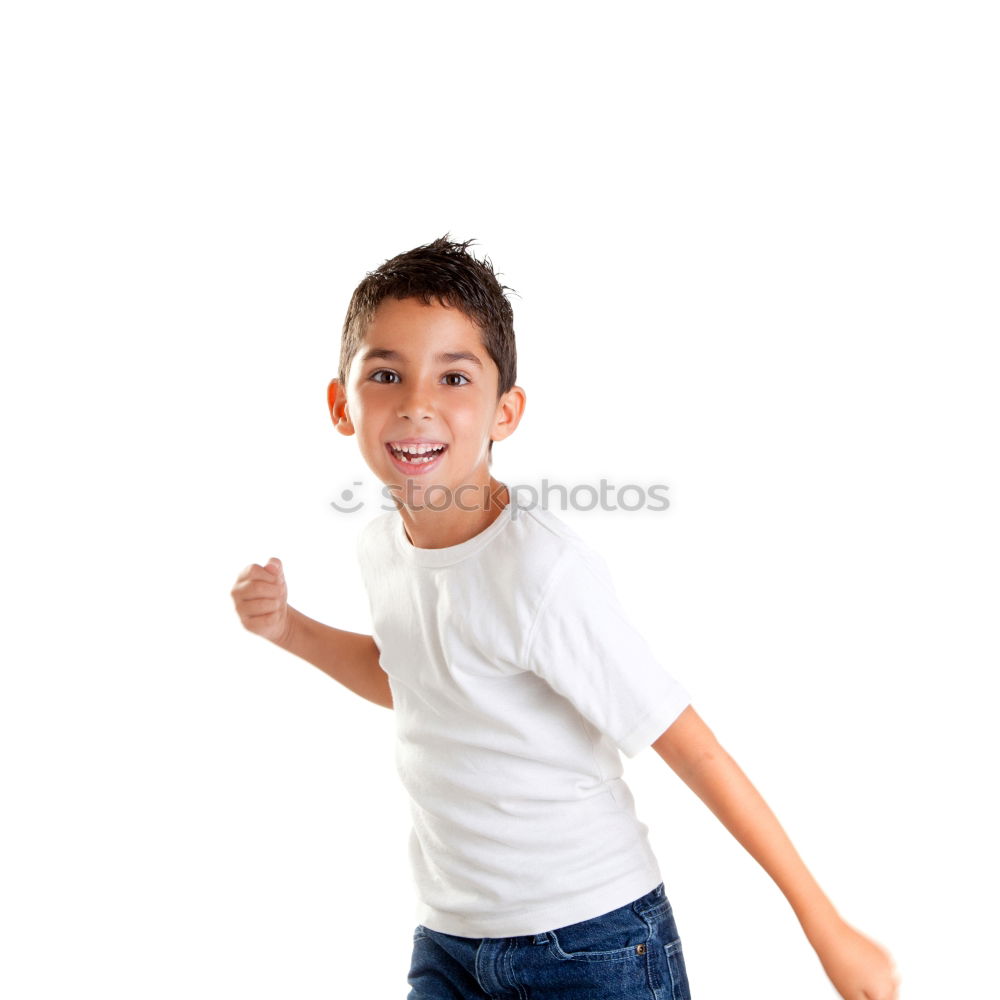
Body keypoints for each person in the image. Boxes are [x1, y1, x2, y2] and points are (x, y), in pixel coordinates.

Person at [231, 235, 900, 999]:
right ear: (340, 404)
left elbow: (693, 750)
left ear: (505, 411)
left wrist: (822, 923)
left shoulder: (542, 573)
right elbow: (419, 678)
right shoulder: (382, 544)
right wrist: (290, 629)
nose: (417, 400)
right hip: (449, 941)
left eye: (454, 376)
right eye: (387, 374)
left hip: (590, 944)